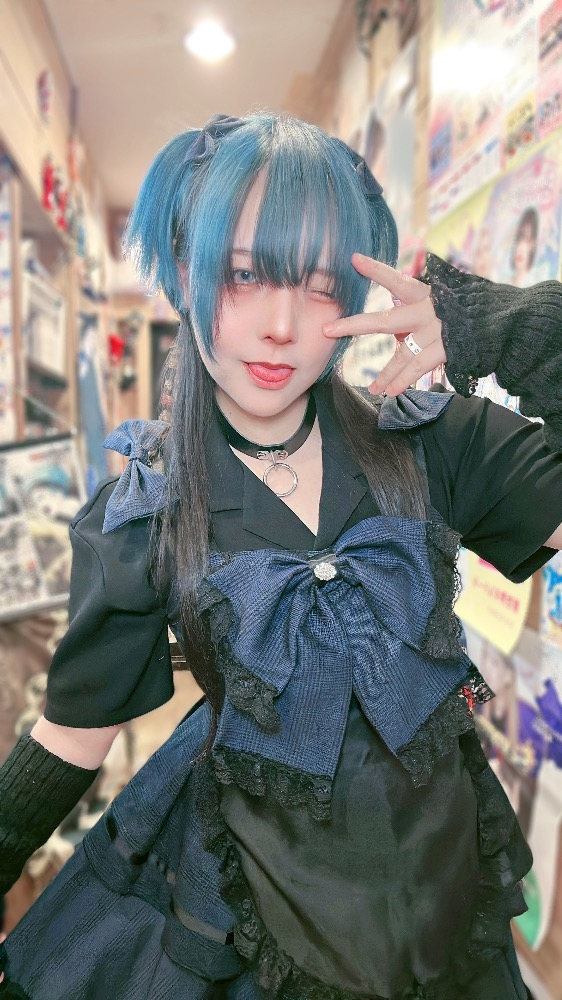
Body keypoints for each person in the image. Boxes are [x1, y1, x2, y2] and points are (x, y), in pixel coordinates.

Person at [1, 112, 561, 1000]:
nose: (281, 326)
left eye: (318, 283)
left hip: (446, 898)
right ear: (185, 271)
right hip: (253, 918)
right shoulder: (147, 511)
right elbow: (71, 736)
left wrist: (500, 327)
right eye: (243, 275)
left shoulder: (429, 443)